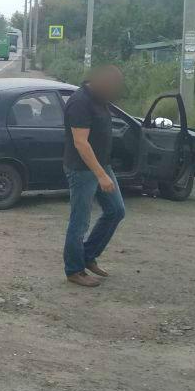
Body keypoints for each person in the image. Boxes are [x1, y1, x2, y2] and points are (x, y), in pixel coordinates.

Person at [62, 64, 127, 287]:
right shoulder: (80, 102)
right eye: (113, 86)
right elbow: (81, 143)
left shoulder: (100, 99)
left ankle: (88, 255)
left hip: (101, 166)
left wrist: (103, 170)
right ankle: (74, 270)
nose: (114, 91)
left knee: (116, 211)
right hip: (82, 170)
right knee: (79, 221)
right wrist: (101, 175)